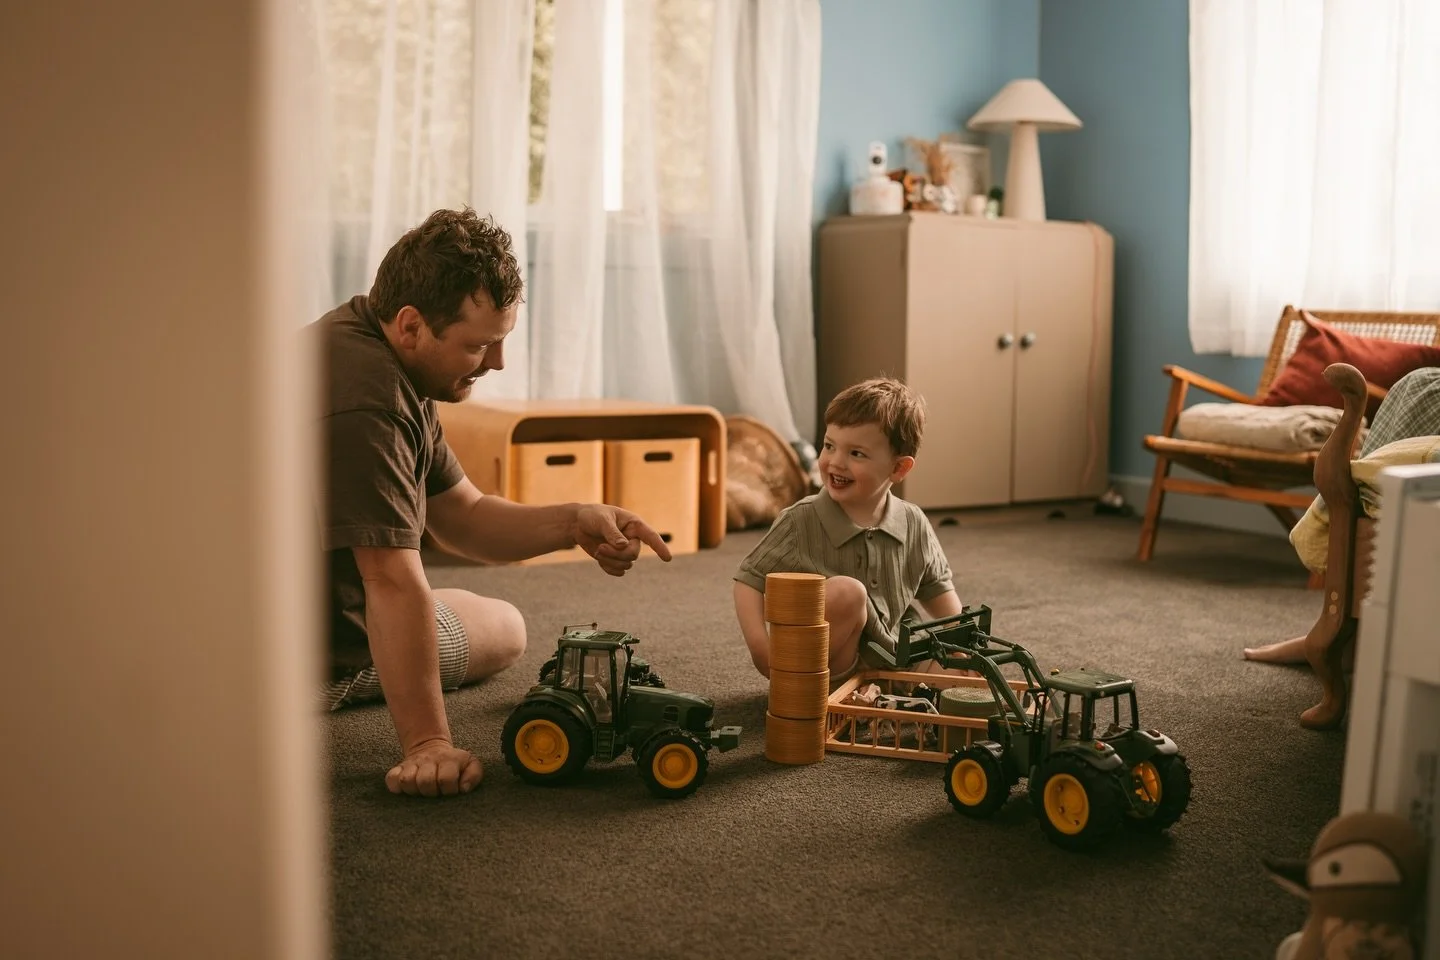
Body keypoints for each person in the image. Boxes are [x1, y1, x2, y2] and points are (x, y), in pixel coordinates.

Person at [315, 207, 672, 798]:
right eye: (480, 346)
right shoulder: (369, 402)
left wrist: (576, 520)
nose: (497, 364)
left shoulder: (366, 345)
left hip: (266, 612)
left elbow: (465, 518)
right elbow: (389, 580)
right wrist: (428, 745)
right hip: (285, 647)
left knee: (490, 616)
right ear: (411, 324)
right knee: (495, 626)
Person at [733, 377, 962, 684]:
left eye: (856, 454)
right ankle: (833, 691)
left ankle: (881, 690)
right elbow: (749, 581)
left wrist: (961, 649)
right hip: (829, 664)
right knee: (848, 593)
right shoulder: (801, 519)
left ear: (898, 469)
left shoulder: (913, 522)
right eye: (829, 446)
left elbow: (939, 591)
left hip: (893, 656)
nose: (835, 462)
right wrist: (762, 648)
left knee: (973, 682)